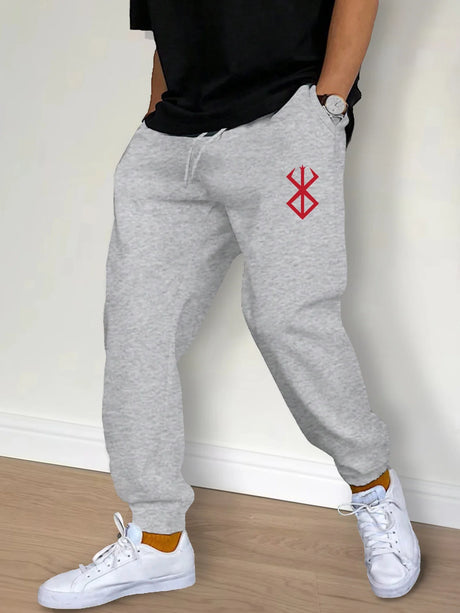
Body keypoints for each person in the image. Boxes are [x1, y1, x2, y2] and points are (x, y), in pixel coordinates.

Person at [38, 0, 421, 608]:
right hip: (170, 147)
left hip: (285, 125)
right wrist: (156, 114)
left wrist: (328, 104)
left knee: (287, 319)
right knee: (137, 336)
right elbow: (170, 29)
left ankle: (373, 487)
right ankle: (158, 541)